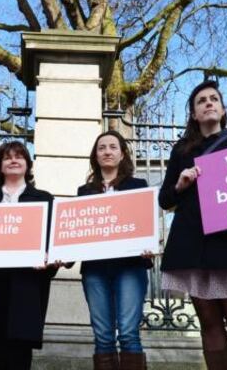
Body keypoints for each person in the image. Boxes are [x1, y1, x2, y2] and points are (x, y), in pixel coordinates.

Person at [158, 79, 227, 370]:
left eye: (214, 98)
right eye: (201, 101)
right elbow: (164, 200)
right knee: (209, 320)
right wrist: (181, 183)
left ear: (223, 109)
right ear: (193, 113)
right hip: (191, 242)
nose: (208, 103)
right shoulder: (181, 151)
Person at [0, 141, 59, 370]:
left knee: (20, 343)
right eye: (7, 157)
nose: (13, 160)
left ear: (27, 165)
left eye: (19, 157)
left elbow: (56, 240)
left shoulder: (44, 198)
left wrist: (49, 257)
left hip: (26, 283)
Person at [78, 131, 152, 370]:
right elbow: (76, 230)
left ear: (122, 154)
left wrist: (147, 246)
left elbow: (145, 225)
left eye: (112, 147)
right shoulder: (83, 192)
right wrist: (64, 254)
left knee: (129, 333)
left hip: (130, 267)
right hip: (95, 270)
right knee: (103, 336)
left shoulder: (138, 186)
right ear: (95, 156)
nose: (107, 151)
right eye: (101, 148)